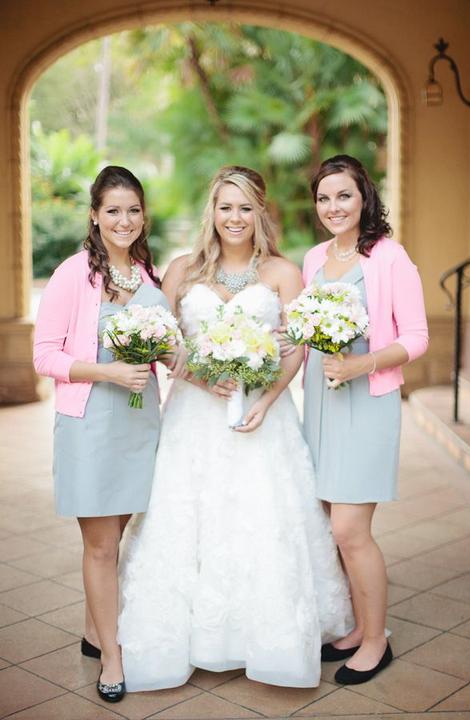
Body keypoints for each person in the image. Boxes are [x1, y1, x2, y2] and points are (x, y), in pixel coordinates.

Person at [117, 165, 353, 691]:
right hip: (193, 417)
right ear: (213, 211)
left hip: (263, 420)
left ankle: (268, 638)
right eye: (226, 206)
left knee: (262, 517)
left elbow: (296, 349)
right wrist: (202, 379)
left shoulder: (283, 273)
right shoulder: (182, 271)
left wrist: (266, 400)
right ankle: (189, 637)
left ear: (260, 212)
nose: (235, 217)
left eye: (245, 207)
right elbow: (161, 340)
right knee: (189, 518)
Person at [33, 166, 170, 703]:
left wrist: (187, 358)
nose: (124, 220)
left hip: (139, 422)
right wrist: (108, 372)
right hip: (89, 422)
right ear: (94, 215)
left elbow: (165, 346)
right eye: (113, 210)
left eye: (133, 210)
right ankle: (112, 657)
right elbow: (45, 356)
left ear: (144, 216)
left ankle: (96, 631)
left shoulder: (148, 274)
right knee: (101, 544)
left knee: (121, 528)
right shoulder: (72, 274)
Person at [301, 154, 428, 685]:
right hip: (320, 401)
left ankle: (377, 641)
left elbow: (417, 337)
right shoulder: (313, 258)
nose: (333, 206)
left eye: (344, 195)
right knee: (330, 526)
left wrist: (363, 363)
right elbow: (303, 333)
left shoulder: (390, 258)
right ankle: (356, 627)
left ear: (364, 198)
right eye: (324, 197)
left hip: (367, 400)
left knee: (351, 530)